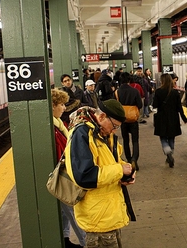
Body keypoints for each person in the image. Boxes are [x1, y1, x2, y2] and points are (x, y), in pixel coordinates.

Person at [65, 99, 136, 248]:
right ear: (102, 116)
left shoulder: (103, 132)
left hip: (109, 213)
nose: (114, 130)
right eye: (114, 126)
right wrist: (119, 170)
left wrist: (125, 171)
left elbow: (112, 159)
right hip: (97, 218)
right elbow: (84, 176)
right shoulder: (82, 135)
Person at [51, 88, 86, 248]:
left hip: (63, 172)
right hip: (62, 175)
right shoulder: (53, 129)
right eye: (62, 105)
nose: (64, 108)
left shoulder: (58, 124)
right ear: (52, 106)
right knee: (74, 211)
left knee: (64, 211)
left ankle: (65, 239)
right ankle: (87, 243)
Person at [153, 73, 187, 168]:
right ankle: (170, 153)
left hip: (162, 117)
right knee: (171, 137)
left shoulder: (158, 92)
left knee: (163, 137)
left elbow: (155, 105)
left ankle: (167, 152)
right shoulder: (175, 93)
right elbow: (179, 107)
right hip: (173, 117)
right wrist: (184, 118)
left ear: (162, 81)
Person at [116, 72, 143, 171]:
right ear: (129, 80)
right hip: (133, 119)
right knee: (135, 141)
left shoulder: (117, 92)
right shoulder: (135, 91)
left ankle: (128, 159)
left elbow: (116, 106)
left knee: (126, 140)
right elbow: (140, 104)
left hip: (123, 120)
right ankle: (134, 159)